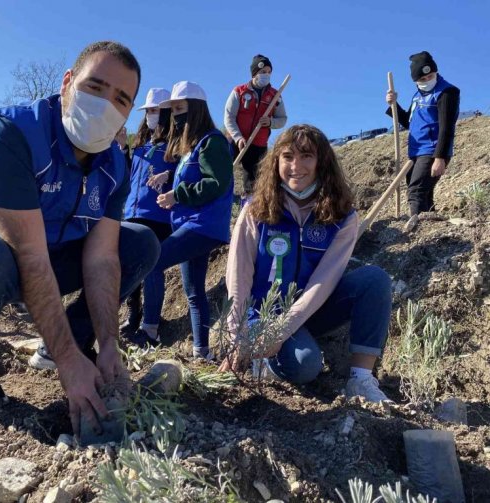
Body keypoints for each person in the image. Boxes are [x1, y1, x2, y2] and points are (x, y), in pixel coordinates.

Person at [0, 41, 160, 437]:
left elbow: (102, 258)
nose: (104, 105)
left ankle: (72, 340)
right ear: (67, 83)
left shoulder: (114, 165)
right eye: (94, 86)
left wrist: (108, 342)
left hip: (46, 253)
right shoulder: (10, 133)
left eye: (120, 99)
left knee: (140, 243)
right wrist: (68, 363)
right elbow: (28, 254)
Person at [219, 124, 393, 403]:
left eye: (306, 156)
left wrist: (284, 330)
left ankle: (361, 379)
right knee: (305, 366)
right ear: (276, 162)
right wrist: (235, 337)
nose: (295, 166)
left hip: (312, 310)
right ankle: (263, 363)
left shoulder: (342, 217)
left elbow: (323, 282)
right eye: (287, 157)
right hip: (261, 315)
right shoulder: (255, 210)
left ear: (322, 162)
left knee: (374, 280)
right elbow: (239, 278)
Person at [134, 81, 233, 359]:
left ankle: (149, 330)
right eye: (173, 110)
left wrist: (177, 194)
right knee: (193, 291)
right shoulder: (192, 146)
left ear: (196, 110)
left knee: (153, 260)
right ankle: (202, 352)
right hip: (191, 225)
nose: (175, 116)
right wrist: (169, 177)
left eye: (179, 109)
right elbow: (193, 174)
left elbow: (216, 183)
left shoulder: (212, 142)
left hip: (202, 226)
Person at [120, 88, 176, 337]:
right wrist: (123, 149)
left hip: (158, 215)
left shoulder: (176, 145)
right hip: (132, 212)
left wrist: (169, 174)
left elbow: (185, 174)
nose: (151, 115)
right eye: (148, 111)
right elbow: (128, 175)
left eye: (155, 110)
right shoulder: (141, 144)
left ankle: (150, 323)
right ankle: (133, 314)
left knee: (152, 268)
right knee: (129, 266)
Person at [386, 51, 460, 232]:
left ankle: (418, 232)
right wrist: (393, 106)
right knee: (424, 193)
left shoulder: (446, 92)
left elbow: (447, 127)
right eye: (423, 78)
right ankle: (432, 229)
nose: (428, 80)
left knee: (416, 190)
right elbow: (409, 123)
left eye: (431, 76)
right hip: (416, 152)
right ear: (416, 81)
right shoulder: (418, 96)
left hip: (432, 150)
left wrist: (440, 158)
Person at [224, 55, 287, 195]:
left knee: (253, 183)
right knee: (223, 170)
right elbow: (229, 117)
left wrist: (270, 122)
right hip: (235, 140)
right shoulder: (239, 92)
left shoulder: (275, 96)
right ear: (254, 73)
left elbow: (282, 119)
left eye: (269, 72)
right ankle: (223, 196)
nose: (266, 75)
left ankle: (249, 204)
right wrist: (238, 137)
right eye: (263, 72)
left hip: (258, 144)